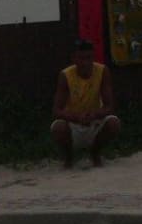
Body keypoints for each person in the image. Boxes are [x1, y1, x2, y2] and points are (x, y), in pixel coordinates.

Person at [51, 39, 121, 168]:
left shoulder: (102, 71)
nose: (85, 63)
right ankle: (69, 157)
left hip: (94, 121)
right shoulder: (65, 75)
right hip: (73, 123)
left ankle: (95, 153)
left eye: (89, 58)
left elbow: (109, 106)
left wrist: (94, 114)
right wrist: (76, 117)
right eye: (81, 58)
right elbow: (56, 110)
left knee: (113, 123)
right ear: (74, 59)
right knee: (58, 128)